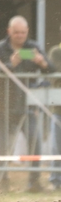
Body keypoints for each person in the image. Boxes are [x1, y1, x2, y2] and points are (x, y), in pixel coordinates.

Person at [0, 15, 55, 193]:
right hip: (3, 105)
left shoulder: (33, 47)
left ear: (27, 32)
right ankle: (3, 183)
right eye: (16, 32)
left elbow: (52, 70)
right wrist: (11, 63)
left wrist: (42, 63)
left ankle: (34, 182)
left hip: (27, 106)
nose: (20, 36)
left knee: (35, 141)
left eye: (23, 33)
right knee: (2, 145)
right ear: (9, 31)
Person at [47, 24, 61, 190]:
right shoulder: (56, 52)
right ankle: (56, 179)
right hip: (59, 108)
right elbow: (55, 72)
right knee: (57, 146)